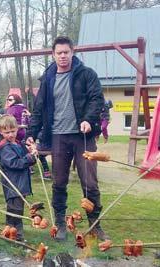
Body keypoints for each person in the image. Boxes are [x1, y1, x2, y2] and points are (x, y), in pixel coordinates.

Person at [26, 36, 107, 241]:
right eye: (59, 52)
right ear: (53, 54)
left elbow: (97, 99)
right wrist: (31, 134)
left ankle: (95, 225)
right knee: (59, 182)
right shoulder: (47, 78)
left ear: (73, 52)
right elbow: (38, 109)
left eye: (66, 52)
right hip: (58, 137)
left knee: (89, 182)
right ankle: (60, 223)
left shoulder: (86, 74)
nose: (63, 56)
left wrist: (89, 119)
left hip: (83, 137)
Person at [0, 115, 37, 241]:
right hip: (12, 183)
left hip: (21, 182)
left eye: (13, 131)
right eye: (7, 132)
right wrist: (28, 158)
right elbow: (14, 163)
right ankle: (16, 234)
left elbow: (26, 160)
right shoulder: (5, 147)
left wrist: (32, 155)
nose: (10, 135)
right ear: (1, 131)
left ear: (17, 129)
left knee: (17, 209)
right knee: (15, 210)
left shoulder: (17, 143)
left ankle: (11, 231)